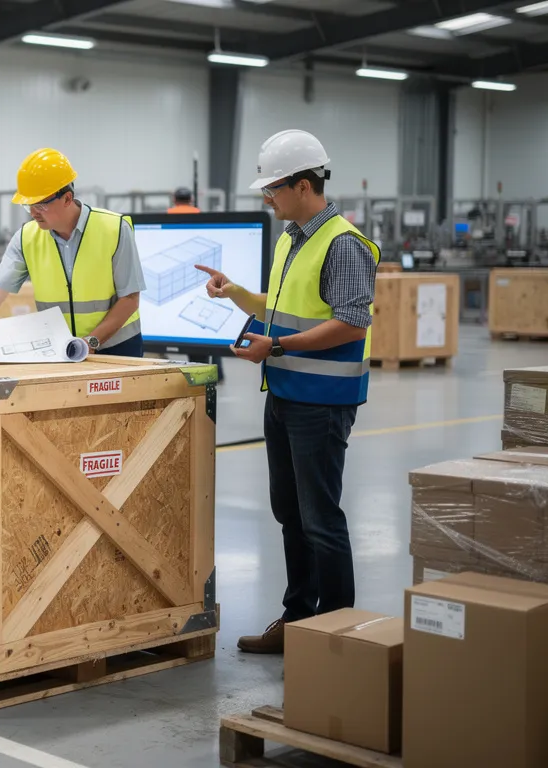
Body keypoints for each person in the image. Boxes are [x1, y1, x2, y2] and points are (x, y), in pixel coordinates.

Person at [195, 129, 379, 655]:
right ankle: (298, 620)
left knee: (321, 519)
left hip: (322, 405)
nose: (266, 198)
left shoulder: (343, 244)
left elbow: (351, 325)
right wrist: (234, 293)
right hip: (285, 395)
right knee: (290, 513)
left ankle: (336, 635)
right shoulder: (292, 237)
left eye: (272, 188)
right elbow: (277, 310)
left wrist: (274, 346)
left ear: (303, 185)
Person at [0, 148, 145, 358]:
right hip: (62, 350)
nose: (33, 213)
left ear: (67, 198)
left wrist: (92, 342)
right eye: (28, 205)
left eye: (40, 205)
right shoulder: (27, 238)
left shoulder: (114, 229)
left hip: (118, 349)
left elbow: (130, 298)